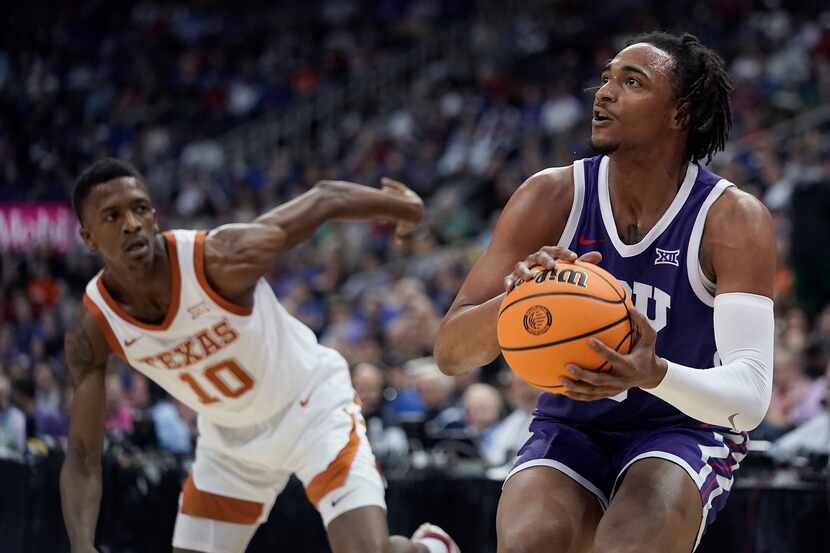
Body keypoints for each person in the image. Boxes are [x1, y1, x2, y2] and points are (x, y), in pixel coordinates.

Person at [434, 32, 775, 553]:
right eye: (606, 78)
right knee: (530, 543)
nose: (604, 93)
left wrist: (654, 374)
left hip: (684, 427)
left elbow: (749, 398)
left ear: (680, 112)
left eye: (632, 82)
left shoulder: (730, 218)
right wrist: (521, 300)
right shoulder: (550, 196)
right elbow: (452, 354)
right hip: (573, 425)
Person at [60, 158, 460, 553]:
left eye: (140, 208)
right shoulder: (94, 330)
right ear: (88, 237)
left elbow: (325, 199)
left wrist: (407, 209)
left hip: (310, 409)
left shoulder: (219, 258)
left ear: (154, 215)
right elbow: (81, 454)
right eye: (112, 216)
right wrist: (81, 545)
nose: (131, 223)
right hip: (229, 441)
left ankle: (431, 549)